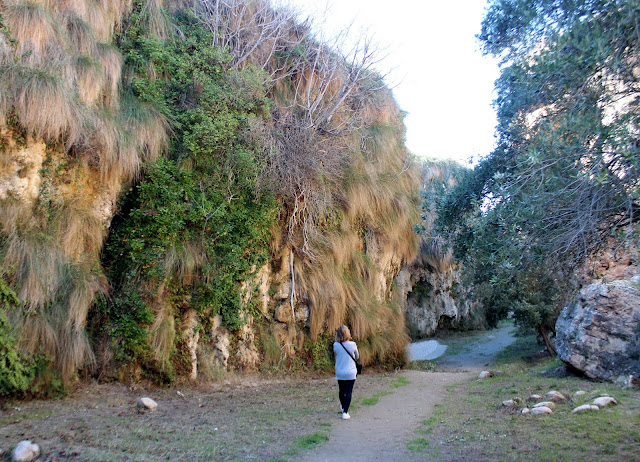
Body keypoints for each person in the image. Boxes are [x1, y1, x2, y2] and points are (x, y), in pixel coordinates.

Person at [333, 325, 359, 420]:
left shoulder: (335, 345)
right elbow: (357, 356)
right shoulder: (353, 345)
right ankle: (345, 412)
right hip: (350, 372)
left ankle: (343, 406)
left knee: (341, 390)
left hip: (340, 371)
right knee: (348, 391)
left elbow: (336, 355)